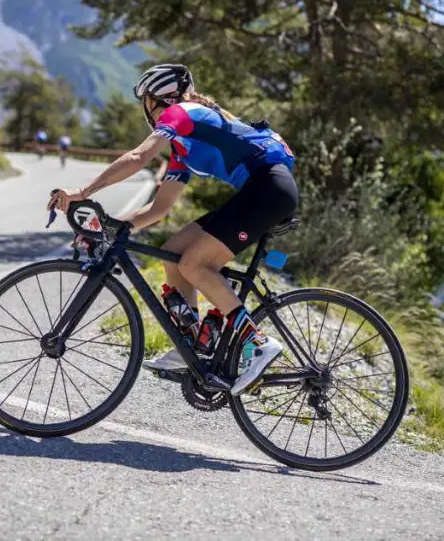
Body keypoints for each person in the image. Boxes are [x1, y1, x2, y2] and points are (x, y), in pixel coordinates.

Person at [47, 64, 298, 395]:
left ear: (157, 100)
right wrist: (112, 228)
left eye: (146, 102)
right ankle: (194, 347)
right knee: (173, 254)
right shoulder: (183, 145)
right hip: (263, 191)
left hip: (268, 190)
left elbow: (138, 157)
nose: (145, 111)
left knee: (195, 263)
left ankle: (258, 344)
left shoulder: (183, 113)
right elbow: (159, 208)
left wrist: (82, 193)